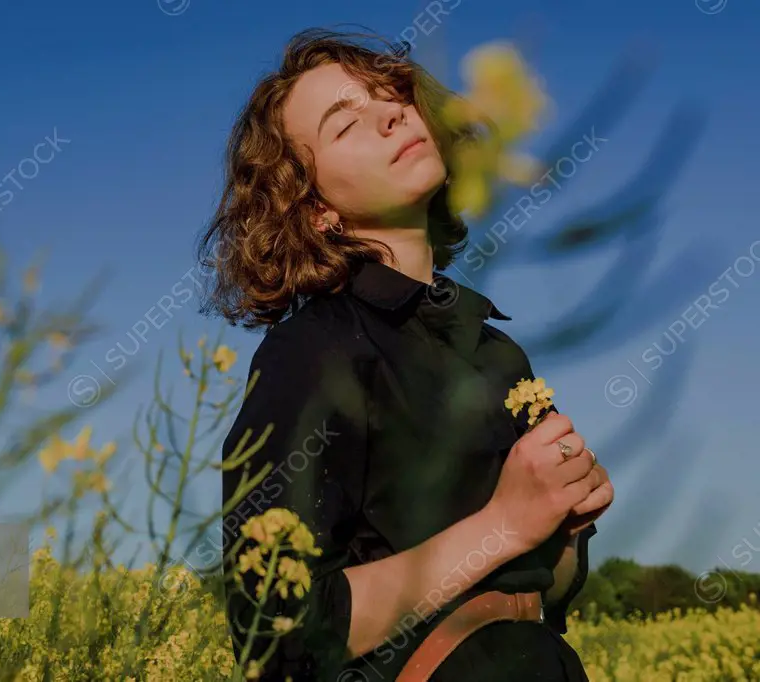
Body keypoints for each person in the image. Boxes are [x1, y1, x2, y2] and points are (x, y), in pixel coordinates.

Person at [196, 28, 615, 682]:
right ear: (317, 213)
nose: (392, 112)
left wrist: (565, 527)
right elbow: (274, 633)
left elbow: (545, 596)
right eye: (345, 124)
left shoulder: (498, 352)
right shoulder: (310, 353)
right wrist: (503, 524)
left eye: (388, 96)